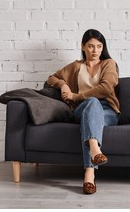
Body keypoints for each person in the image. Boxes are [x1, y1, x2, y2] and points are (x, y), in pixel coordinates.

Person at [47, 29, 120, 195]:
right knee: (91, 103)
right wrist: (63, 85)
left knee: (93, 104)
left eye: (99, 46)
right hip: (82, 109)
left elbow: (106, 88)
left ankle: (89, 173)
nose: (95, 50)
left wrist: (76, 95)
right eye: (91, 46)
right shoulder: (76, 66)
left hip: (107, 110)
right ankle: (95, 151)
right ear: (83, 47)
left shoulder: (109, 63)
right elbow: (51, 78)